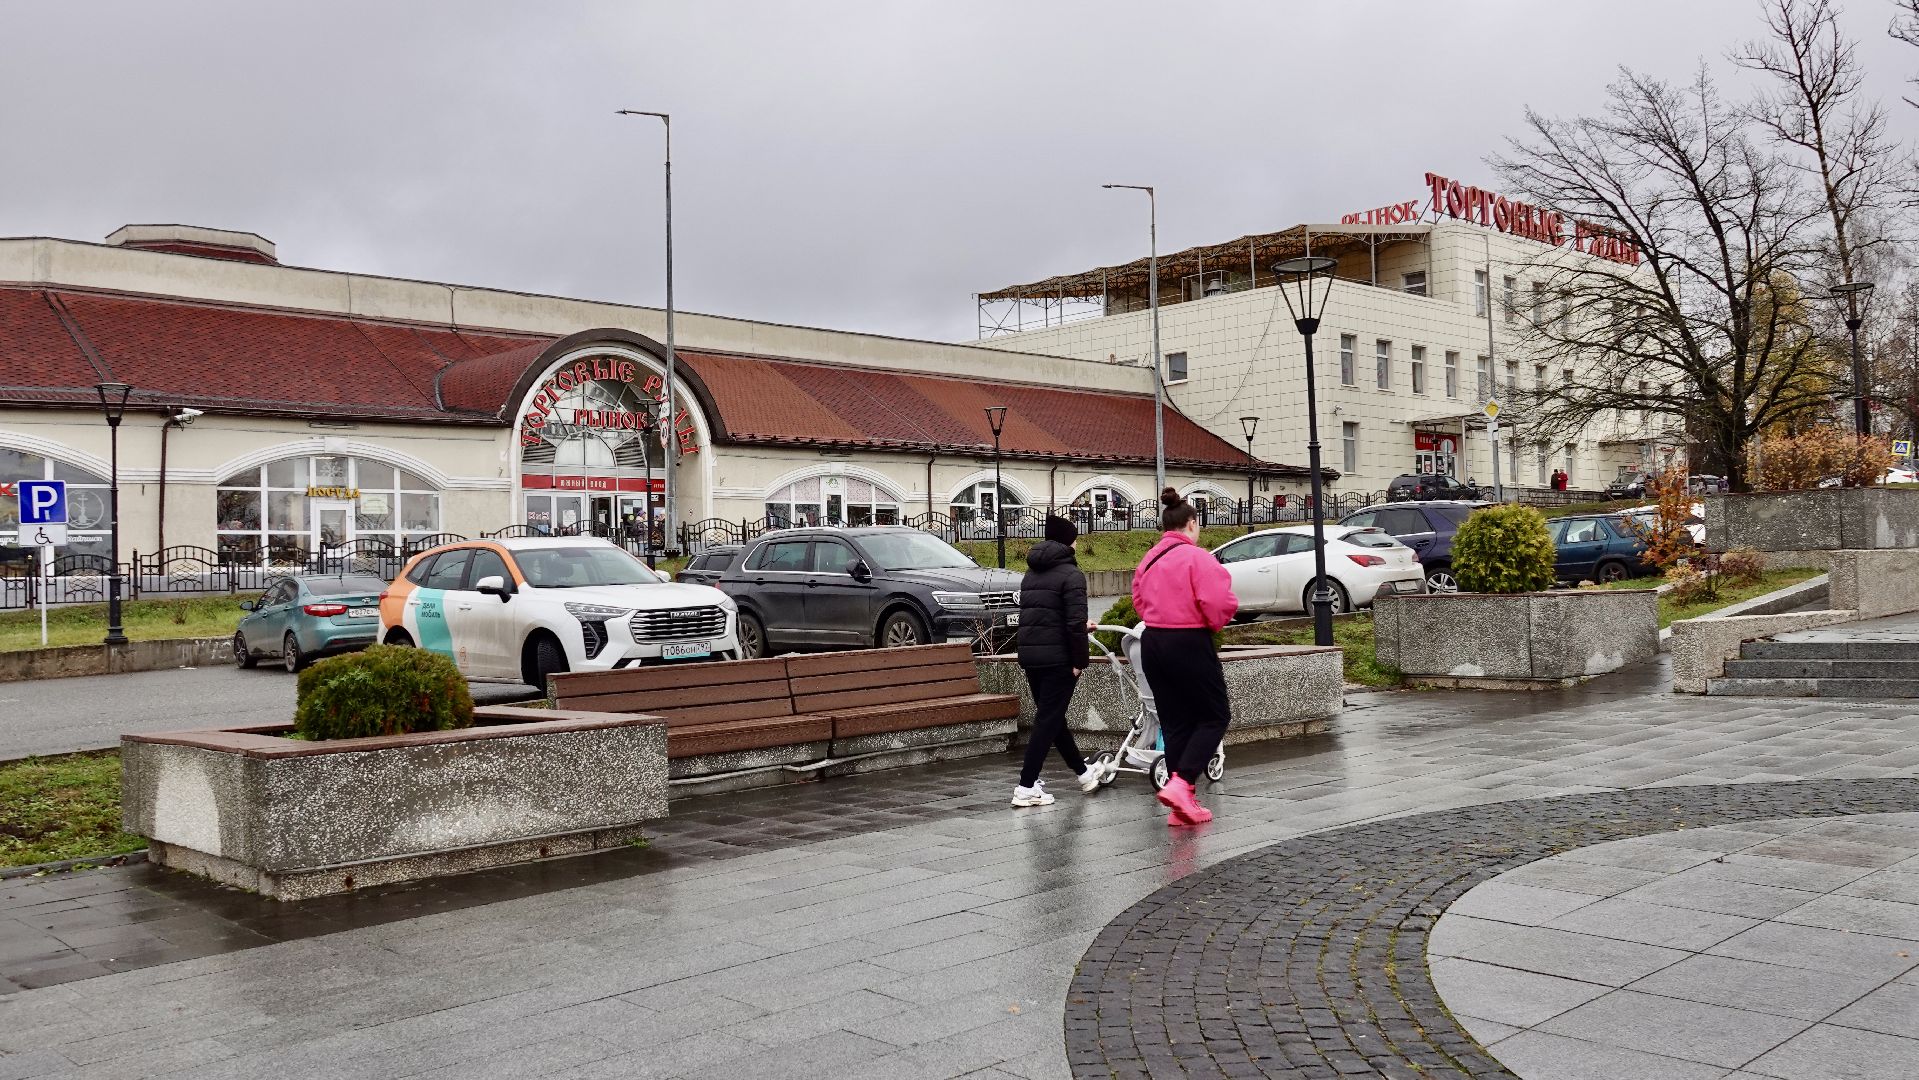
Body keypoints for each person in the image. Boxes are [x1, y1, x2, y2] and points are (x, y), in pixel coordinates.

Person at [1132, 489, 1239, 826]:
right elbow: (1218, 603)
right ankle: (1182, 784)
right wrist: (1213, 625)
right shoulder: (1198, 557)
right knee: (1214, 716)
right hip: (1188, 640)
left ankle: (1183, 805)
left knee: (1175, 721)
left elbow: (1137, 600)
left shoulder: (1148, 559)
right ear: (1192, 523)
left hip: (1152, 641)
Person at [1011, 515, 1100, 807]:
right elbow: (1073, 622)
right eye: (1075, 538)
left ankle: (1084, 773)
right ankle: (1026, 786)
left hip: (1033, 657)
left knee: (1052, 719)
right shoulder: (1072, 575)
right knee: (1047, 720)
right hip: (1059, 659)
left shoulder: (1031, 573)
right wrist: (1079, 661)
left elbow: (1045, 616)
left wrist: (1079, 627)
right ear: (1068, 542)